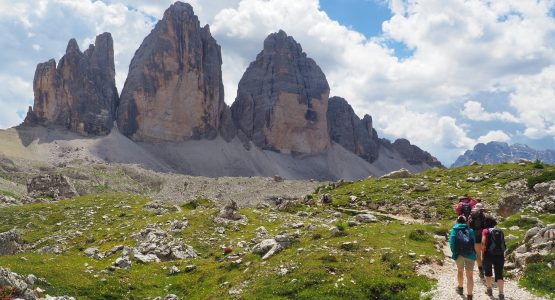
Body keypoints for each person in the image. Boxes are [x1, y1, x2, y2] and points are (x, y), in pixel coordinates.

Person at [449, 215, 476, 300]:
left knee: (460, 271)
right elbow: (473, 243)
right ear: (466, 221)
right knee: (470, 276)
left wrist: (454, 252)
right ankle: (470, 295)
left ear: (457, 221)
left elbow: (452, 243)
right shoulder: (470, 230)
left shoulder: (454, 230)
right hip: (470, 254)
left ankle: (460, 288)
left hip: (459, 254)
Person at [482, 217, 506, 300]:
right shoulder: (500, 231)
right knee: (499, 274)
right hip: (500, 255)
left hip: (488, 254)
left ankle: (489, 289)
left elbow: (483, 242)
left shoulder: (485, 231)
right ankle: (501, 293)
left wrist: (483, 251)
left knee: (488, 272)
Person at [468, 202, 487, 278]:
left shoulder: (471, 215)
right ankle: (485, 267)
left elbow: (468, 226)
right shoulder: (485, 216)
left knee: (478, 254)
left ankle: (480, 270)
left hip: (475, 237)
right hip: (484, 236)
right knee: (484, 253)